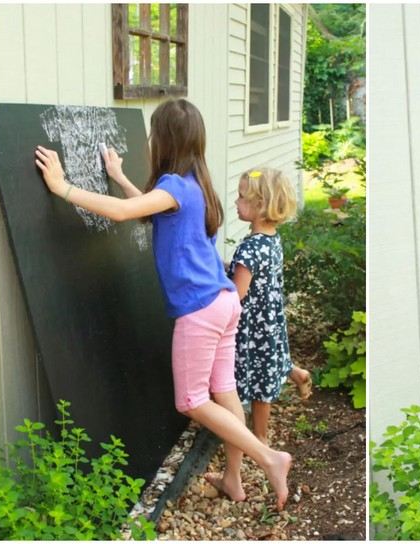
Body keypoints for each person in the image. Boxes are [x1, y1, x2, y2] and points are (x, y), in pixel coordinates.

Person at [35, 98, 291, 510]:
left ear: (165, 141)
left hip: (201, 310)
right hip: (225, 302)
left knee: (190, 400)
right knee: (223, 392)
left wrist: (63, 187)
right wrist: (119, 176)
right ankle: (232, 479)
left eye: (155, 134)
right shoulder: (196, 186)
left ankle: (270, 459)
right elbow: (153, 211)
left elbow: (124, 213)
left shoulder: (174, 186)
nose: (151, 141)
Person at [229, 167, 312, 445]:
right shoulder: (272, 239)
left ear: (260, 205)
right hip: (271, 319)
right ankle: (298, 374)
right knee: (272, 358)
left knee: (259, 383)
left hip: (254, 328)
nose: (235, 202)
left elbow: (236, 294)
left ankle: (261, 439)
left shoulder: (249, 249)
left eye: (241, 197)